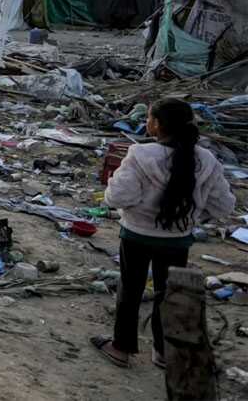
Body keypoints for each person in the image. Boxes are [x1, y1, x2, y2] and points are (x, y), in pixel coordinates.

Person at [91, 98, 235, 369]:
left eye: (148, 117)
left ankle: (121, 348)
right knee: (168, 293)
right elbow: (223, 205)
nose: (147, 123)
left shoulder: (141, 154)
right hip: (177, 240)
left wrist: (116, 192)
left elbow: (118, 196)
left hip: (137, 236)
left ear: (156, 124)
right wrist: (192, 217)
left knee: (130, 290)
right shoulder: (206, 159)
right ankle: (163, 351)